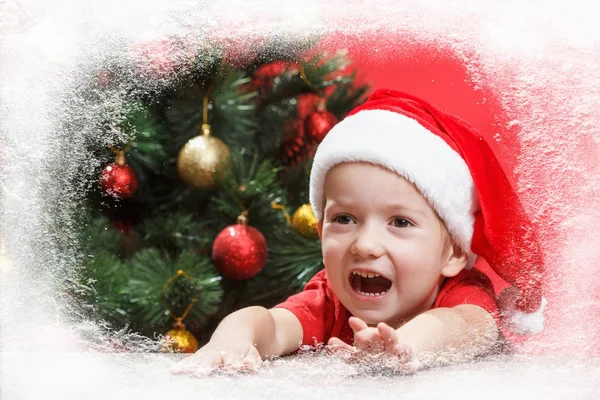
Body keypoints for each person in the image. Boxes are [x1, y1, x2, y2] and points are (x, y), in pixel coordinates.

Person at [171, 89, 546, 376]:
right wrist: (234, 336)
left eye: (400, 222)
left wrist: (406, 345)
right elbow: (271, 324)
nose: (365, 245)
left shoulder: (459, 295)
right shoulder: (330, 301)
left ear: (454, 253)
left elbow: (470, 326)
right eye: (344, 219)